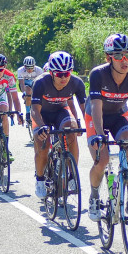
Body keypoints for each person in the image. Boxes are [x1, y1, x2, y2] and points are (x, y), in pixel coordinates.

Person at [85, 33, 128, 221]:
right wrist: (100, 135)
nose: (124, 60)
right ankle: (94, 197)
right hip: (95, 115)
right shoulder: (98, 74)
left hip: (118, 114)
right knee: (102, 159)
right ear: (109, 57)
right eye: (118, 56)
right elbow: (96, 106)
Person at [31, 51, 86, 198]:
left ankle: (72, 175)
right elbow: (34, 110)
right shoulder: (41, 82)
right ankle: (40, 180)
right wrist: (41, 126)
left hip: (60, 112)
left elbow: (85, 109)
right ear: (51, 72)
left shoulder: (77, 83)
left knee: (71, 130)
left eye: (67, 74)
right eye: (59, 74)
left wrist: (90, 126)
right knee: (43, 146)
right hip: (42, 115)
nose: (63, 77)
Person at [17, 56, 44, 123]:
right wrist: (24, 93)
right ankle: (28, 113)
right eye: (27, 68)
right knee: (28, 92)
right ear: (24, 66)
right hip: (25, 84)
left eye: (31, 68)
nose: (29, 70)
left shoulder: (39, 70)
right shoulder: (20, 70)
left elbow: (41, 84)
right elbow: (22, 84)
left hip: (35, 83)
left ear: (34, 66)